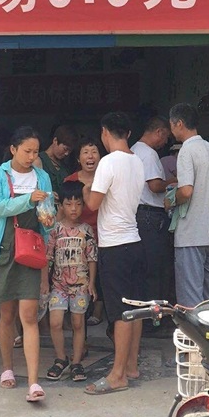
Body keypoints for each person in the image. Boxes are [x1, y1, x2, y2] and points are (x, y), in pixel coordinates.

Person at [0, 126, 54, 403]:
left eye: (35, 152)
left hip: (30, 249)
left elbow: (49, 211)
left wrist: (48, 217)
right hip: (3, 247)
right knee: (6, 314)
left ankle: (33, 381)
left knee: (29, 316)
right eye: (27, 151)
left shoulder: (42, 176)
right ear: (13, 149)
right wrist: (28, 200)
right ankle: (7, 369)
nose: (32, 157)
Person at [82, 111, 145, 396]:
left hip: (114, 245)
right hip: (135, 241)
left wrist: (86, 189)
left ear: (105, 132)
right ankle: (131, 366)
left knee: (120, 312)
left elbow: (93, 204)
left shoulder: (108, 162)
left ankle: (117, 375)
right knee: (136, 308)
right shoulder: (138, 161)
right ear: (128, 134)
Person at [168, 103, 209, 307]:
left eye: (171, 125)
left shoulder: (186, 151)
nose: (171, 130)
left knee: (190, 297)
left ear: (179, 123)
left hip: (191, 233)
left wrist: (170, 200)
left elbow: (186, 191)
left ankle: (194, 328)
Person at [45, 181, 98, 383]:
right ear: (61, 206)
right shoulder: (55, 230)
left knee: (78, 323)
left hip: (81, 286)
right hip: (58, 285)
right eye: (68, 204)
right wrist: (44, 282)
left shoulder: (87, 230)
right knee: (55, 322)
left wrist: (92, 283)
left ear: (83, 205)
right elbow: (47, 258)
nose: (73, 208)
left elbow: (92, 258)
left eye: (78, 204)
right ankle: (61, 358)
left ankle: (76, 362)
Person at [131, 117, 172, 327]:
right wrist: (174, 181)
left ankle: (145, 320)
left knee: (143, 269)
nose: (165, 143)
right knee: (155, 270)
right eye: (165, 137)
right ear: (159, 132)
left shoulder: (133, 150)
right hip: (150, 216)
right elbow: (155, 186)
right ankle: (153, 321)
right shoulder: (148, 154)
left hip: (138, 215)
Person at [65, 137, 104, 324]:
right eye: (86, 152)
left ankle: (98, 310)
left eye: (94, 152)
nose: (90, 156)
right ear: (78, 158)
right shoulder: (70, 181)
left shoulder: (106, 178)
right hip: (77, 237)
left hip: (102, 234)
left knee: (100, 273)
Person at [38, 123, 78, 202]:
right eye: (65, 149)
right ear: (55, 141)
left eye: (69, 151)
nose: (67, 153)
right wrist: (48, 193)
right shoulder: (39, 160)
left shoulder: (65, 166)